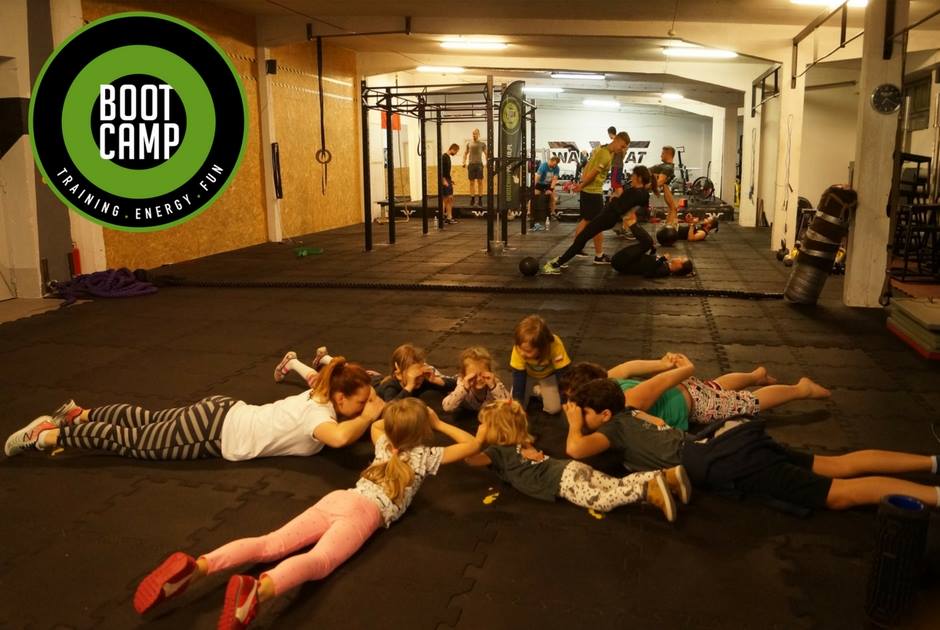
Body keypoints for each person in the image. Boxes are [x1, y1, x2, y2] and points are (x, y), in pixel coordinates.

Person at [133, 398, 487, 629]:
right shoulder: (425, 457)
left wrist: (394, 414)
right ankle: (257, 592)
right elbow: (473, 445)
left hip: (339, 498)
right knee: (319, 561)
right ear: (421, 432)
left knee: (268, 543)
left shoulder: (383, 443)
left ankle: (198, 567)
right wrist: (438, 424)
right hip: (364, 514)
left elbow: (378, 425)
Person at [563, 378, 940, 514]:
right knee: (836, 464)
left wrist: (573, 421)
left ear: (605, 414)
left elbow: (575, 450)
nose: (583, 418)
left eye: (587, 413)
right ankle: (933, 462)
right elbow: (660, 425)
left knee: (839, 494)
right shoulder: (634, 413)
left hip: (724, 457)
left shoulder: (614, 429)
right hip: (728, 437)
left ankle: (936, 495)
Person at [5, 358, 384, 461]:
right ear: (340, 398)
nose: (363, 406)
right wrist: (369, 416)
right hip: (212, 433)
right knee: (131, 442)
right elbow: (338, 439)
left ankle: (79, 414)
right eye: (360, 401)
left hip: (222, 410)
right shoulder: (319, 417)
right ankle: (47, 435)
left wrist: (370, 401)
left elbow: (335, 369)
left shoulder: (321, 389)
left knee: (146, 420)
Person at [465, 399, 689, 522]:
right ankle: (665, 476)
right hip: (569, 467)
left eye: (483, 425)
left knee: (602, 500)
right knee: (615, 484)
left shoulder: (497, 452)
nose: (480, 427)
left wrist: (479, 438)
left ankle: (647, 491)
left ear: (497, 430)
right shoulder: (522, 441)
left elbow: (470, 458)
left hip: (563, 482)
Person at [560, 355, 831, 432]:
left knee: (749, 403)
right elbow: (629, 366)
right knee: (717, 386)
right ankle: (755, 375)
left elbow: (661, 383)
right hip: (690, 392)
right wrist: (662, 362)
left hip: (698, 404)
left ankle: (801, 389)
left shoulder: (629, 399)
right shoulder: (608, 381)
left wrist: (682, 368)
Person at [542, 165, 652, 273]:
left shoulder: (635, 193)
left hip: (608, 217)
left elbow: (620, 208)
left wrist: (614, 199)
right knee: (582, 238)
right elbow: (641, 206)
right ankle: (562, 260)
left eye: (633, 175)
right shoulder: (642, 193)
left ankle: (558, 263)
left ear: (639, 178)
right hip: (608, 217)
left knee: (581, 239)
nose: (631, 177)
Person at [569, 132, 630, 263]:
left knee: (586, 220)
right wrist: (582, 185)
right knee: (598, 224)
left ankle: (576, 248)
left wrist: (582, 183)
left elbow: (587, 166)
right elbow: (593, 173)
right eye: (622, 146)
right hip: (593, 191)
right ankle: (599, 255)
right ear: (616, 139)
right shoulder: (605, 155)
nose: (622, 150)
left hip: (588, 190)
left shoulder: (601, 150)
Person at [510, 315, 571, 414]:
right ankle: (536, 390)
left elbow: (562, 375)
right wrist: (517, 403)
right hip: (527, 376)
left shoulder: (555, 346)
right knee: (515, 407)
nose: (521, 353)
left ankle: (539, 390)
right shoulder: (519, 348)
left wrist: (565, 401)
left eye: (528, 351)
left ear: (542, 347)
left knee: (554, 409)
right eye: (519, 348)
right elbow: (518, 378)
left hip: (548, 377)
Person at [610, 210, 694, 277]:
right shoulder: (665, 264)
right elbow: (648, 263)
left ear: (679, 266)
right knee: (649, 243)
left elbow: (648, 273)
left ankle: (631, 222)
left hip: (622, 263)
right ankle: (631, 222)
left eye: (681, 259)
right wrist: (653, 250)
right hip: (627, 260)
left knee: (648, 242)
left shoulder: (664, 271)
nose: (679, 257)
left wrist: (661, 259)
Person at [376, 343, 457, 402]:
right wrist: (409, 386)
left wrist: (435, 380)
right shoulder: (390, 387)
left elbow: (457, 385)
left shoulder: (421, 381)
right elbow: (391, 409)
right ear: (399, 375)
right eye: (414, 377)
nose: (420, 379)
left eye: (421, 374)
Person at [441, 346, 511, 413]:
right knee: (446, 383)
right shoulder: (462, 384)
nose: (479, 379)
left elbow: (510, 406)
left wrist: (494, 387)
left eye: (482, 374)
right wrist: (464, 389)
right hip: (457, 386)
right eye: (473, 376)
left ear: (490, 372)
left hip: (481, 410)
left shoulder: (494, 383)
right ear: (464, 376)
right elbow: (447, 407)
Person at [531, 156, 560, 231]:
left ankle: (553, 213)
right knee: (533, 196)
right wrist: (533, 187)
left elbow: (554, 179)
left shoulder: (557, 168)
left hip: (548, 185)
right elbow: (537, 177)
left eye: (556, 164)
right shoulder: (543, 166)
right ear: (551, 161)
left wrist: (551, 189)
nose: (555, 166)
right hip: (539, 184)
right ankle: (529, 213)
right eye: (554, 164)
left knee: (553, 197)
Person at [462, 129, 488, 208]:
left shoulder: (482, 144)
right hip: (471, 165)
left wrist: (487, 162)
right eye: (473, 134)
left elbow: (487, 154)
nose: (474, 135)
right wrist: (463, 162)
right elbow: (465, 153)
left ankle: (480, 199)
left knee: (480, 182)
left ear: (479, 134)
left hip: (479, 165)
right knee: (472, 182)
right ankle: (472, 198)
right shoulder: (469, 144)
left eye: (476, 134)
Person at [441, 143, 460, 224]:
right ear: (453, 149)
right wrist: (443, 180)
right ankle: (444, 218)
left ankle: (448, 217)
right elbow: (441, 170)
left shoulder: (448, 157)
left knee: (449, 199)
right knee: (446, 199)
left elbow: (446, 171)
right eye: (456, 151)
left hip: (448, 179)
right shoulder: (444, 157)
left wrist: (450, 180)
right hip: (445, 180)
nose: (456, 153)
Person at [607, 126, 625, 196]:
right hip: (618, 165)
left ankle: (619, 198)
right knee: (616, 184)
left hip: (616, 165)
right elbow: (623, 152)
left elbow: (613, 154)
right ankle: (617, 198)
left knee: (616, 184)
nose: (609, 136)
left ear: (610, 133)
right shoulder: (618, 141)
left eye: (608, 134)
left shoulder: (616, 141)